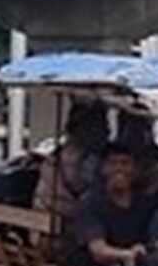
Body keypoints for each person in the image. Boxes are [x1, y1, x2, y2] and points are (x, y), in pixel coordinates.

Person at [32, 101, 108, 243]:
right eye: (102, 126)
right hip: (61, 232)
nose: (107, 132)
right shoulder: (83, 159)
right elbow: (94, 196)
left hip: (43, 228)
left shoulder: (58, 153)